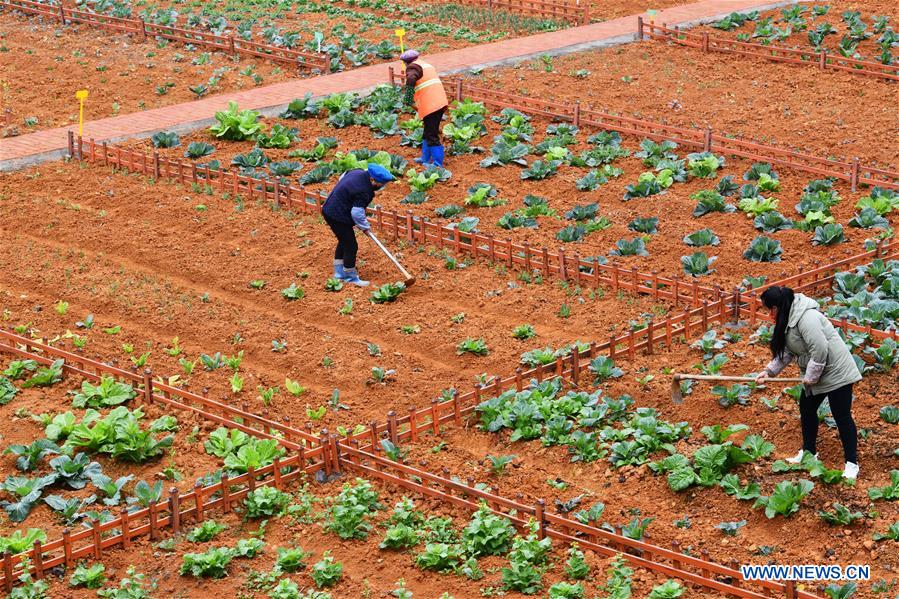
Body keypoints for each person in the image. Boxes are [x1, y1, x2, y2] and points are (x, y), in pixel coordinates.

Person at [755, 286, 863, 480]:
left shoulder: (807, 317)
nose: (769, 314)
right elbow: (788, 352)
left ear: (777, 306)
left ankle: (852, 464)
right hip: (817, 372)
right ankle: (809, 453)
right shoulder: (788, 319)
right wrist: (768, 372)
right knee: (806, 408)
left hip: (837, 372)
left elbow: (820, 349)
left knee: (841, 416)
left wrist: (811, 377)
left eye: (769, 309)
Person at [321, 164, 395, 287]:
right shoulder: (365, 191)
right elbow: (357, 213)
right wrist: (365, 227)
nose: (382, 187)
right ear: (372, 180)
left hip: (330, 208)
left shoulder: (357, 172)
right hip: (337, 216)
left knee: (344, 241)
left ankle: (339, 274)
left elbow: (342, 177)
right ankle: (350, 278)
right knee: (351, 246)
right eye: (381, 184)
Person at [400, 49, 449, 167]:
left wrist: (407, 97)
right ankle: (425, 159)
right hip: (438, 101)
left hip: (431, 104)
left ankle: (437, 164)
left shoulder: (413, 67)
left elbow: (411, 78)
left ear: (406, 62)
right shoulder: (426, 65)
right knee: (427, 132)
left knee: (432, 134)